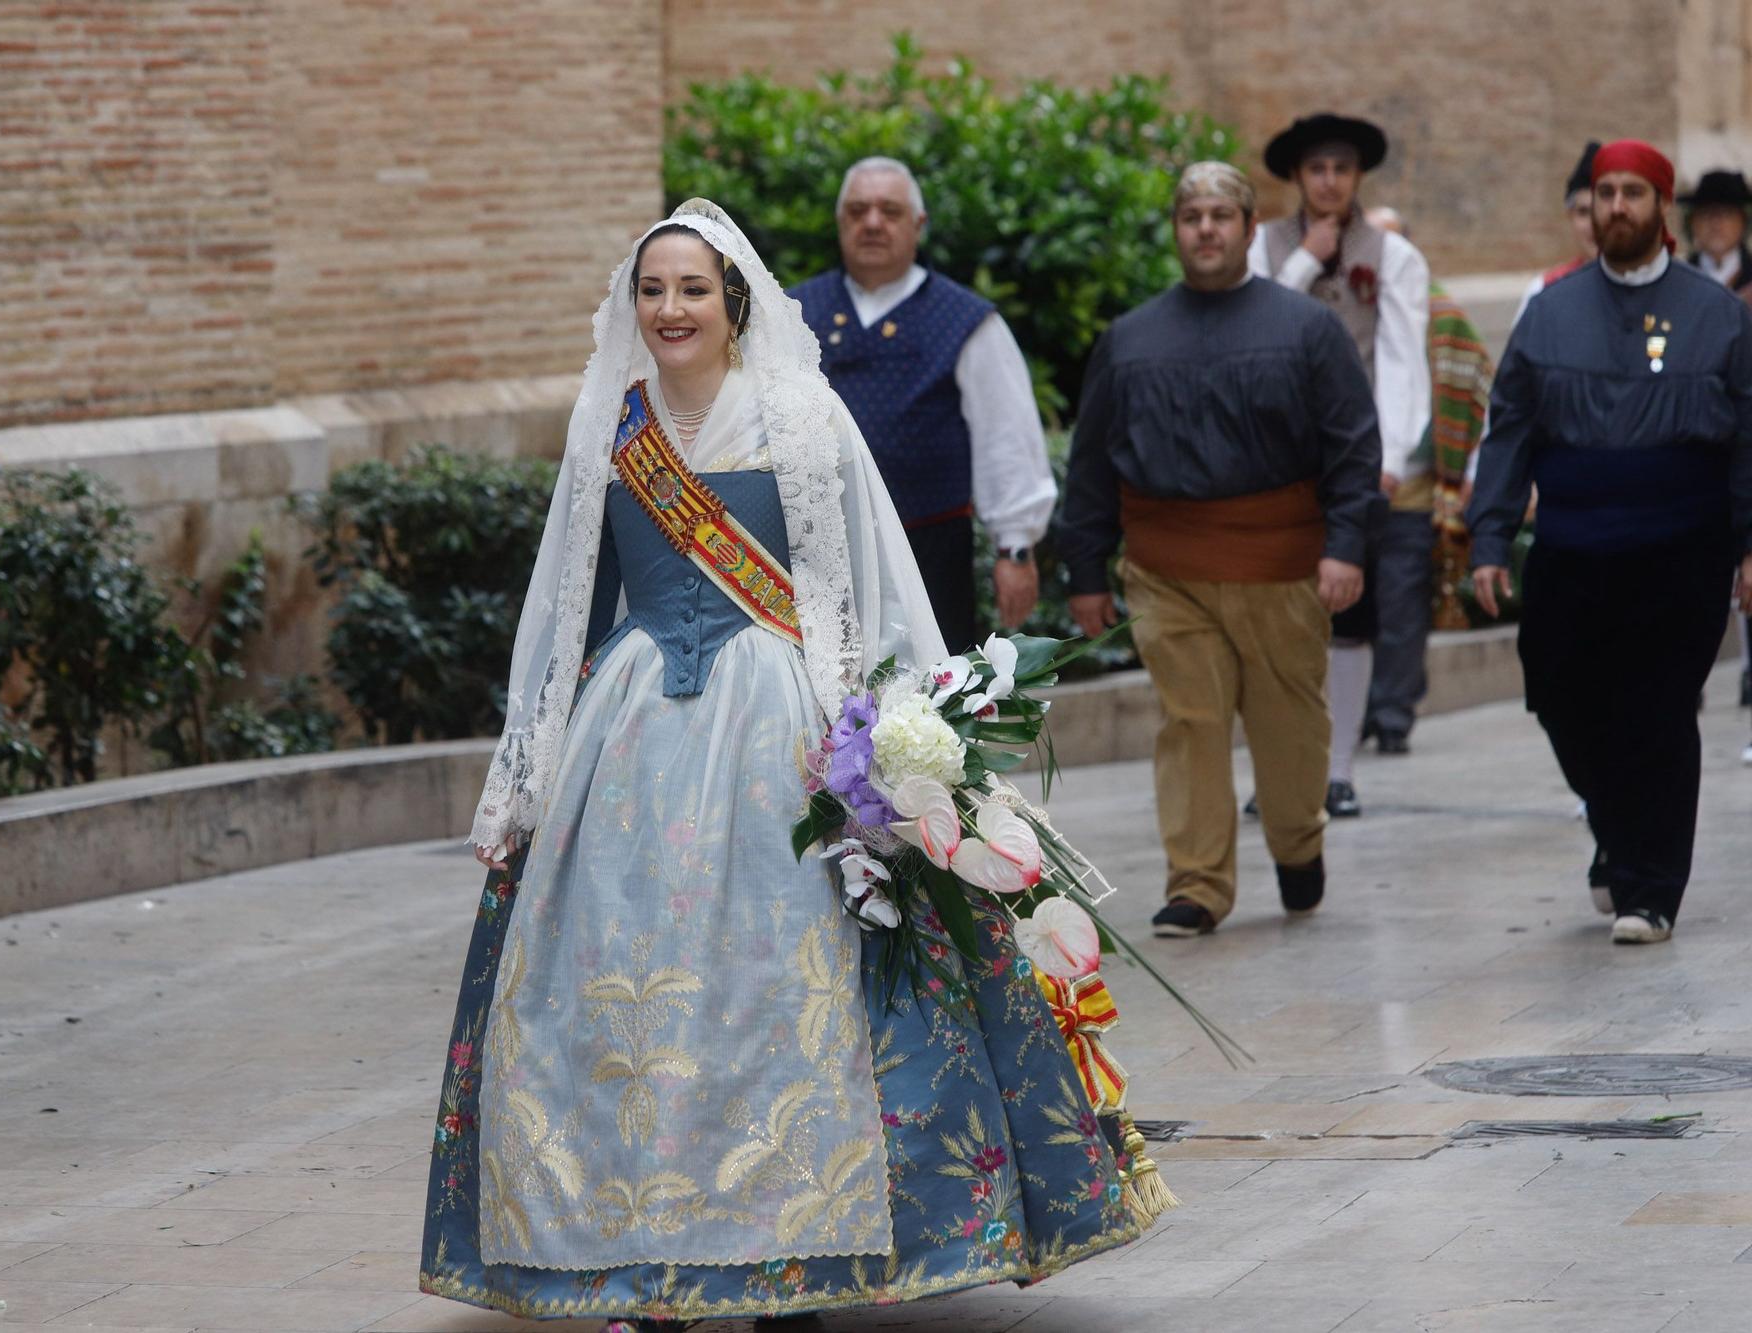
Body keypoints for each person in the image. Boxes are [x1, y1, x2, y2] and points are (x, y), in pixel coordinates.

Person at [422, 200, 1158, 1330]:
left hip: (775, 727)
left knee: (774, 990)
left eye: (692, 290)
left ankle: (790, 1257)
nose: (670, 309)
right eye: (652, 291)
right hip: (626, 738)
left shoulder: (800, 416)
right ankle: (630, 1247)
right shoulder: (604, 426)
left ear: (734, 303)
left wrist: (906, 745)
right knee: (625, 995)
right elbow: (564, 607)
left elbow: (859, 584)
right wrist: (528, 760)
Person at [1058, 162, 1381, 939]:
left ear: (1247, 227)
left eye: (1221, 215)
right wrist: (1086, 570)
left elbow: (1352, 446)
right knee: (1191, 722)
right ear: (1176, 230)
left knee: (1289, 729)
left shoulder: (1306, 329)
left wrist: (1346, 546)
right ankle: (1196, 884)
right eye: (1191, 215)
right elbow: (1093, 462)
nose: (1205, 228)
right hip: (1169, 571)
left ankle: (1298, 842)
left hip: (1281, 567)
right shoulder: (1130, 339)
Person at [1468, 140, 1752, 946]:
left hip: (1682, 548)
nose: (1617, 206)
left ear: (1663, 207)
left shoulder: (1719, 314)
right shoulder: (1550, 310)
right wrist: (1489, 536)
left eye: (1634, 192)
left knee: (1658, 711)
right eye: (1604, 192)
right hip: (1573, 541)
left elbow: (1747, 440)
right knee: (1558, 692)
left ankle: (1649, 887)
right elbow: (1510, 428)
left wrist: (1748, 544)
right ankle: (1616, 821)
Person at [789, 157, 1056, 652]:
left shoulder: (968, 321)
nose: (872, 222)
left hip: (930, 556)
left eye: (890, 211)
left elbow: (1006, 438)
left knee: (930, 709)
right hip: (811, 559)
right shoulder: (790, 314)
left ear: (919, 224)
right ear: (839, 222)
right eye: (858, 210)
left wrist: (1015, 549)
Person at [1249, 113, 1430, 818]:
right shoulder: (1263, 247)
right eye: (1317, 169)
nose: (1329, 181)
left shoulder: (1395, 256)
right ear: (1298, 177)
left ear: (1358, 178)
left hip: (1355, 459)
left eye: (1342, 169)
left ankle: (1339, 770)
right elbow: (1255, 325)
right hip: (1274, 458)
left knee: (1349, 616)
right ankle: (1277, 772)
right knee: (1271, 622)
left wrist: (1386, 458)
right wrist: (1306, 258)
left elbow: (1403, 359)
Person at [1364, 206, 1496, 634]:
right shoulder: (1344, 310)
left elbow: (1481, 392)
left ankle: (1393, 704)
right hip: (1348, 493)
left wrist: (1473, 470)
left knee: (1401, 613)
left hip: (1417, 491)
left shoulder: (1443, 315)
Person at [1678, 169, 1752, 760]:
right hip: (1699, 438)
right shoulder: (1678, 287)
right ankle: (1688, 678)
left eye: (1725, 215)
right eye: (1705, 215)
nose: (1715, 225)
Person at [1511, 141, 1604, 329]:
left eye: (1601, 212)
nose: (1594, 225)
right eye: (1583, 212)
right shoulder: (1544, 291)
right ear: (1570, 217)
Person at [1679, 169, 1752, 299]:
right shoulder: (1676, 279)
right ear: (1692, 223)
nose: (1716, 224)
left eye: (1727, 214)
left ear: (1743, 223)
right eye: (1707, 213)